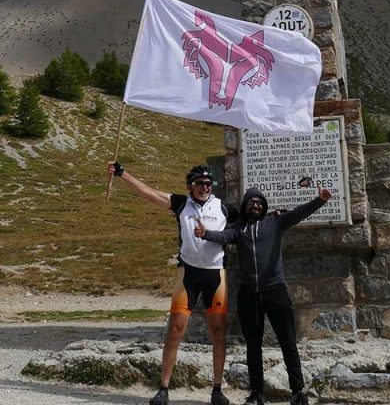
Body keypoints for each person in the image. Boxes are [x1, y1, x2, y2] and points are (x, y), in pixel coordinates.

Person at [108, 162, 234, 405]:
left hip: (216, 274)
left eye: (208, 184)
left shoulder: (223, 207)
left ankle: (217, 390)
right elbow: (148, 192)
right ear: (190, 186)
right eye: (199, 184)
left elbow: (249, 219)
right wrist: (123, 174)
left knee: (218, 332)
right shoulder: (181, 204)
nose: (204, 187)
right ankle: (164, 388)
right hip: (188, 274)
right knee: (175, 329)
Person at [194, 185, 332, 405]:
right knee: (253, 346)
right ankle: (257, 393)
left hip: (275, 291)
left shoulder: (275, 222)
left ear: (264, 206)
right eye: (251, 202)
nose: (255, 205)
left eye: (259, 202)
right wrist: (205, 234)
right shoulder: (239, 230)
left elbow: (298, 213)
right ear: (245, 206)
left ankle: (297, 392)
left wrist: (320, 200)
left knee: (288, 342)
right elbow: (224, 235)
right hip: (249, 294)